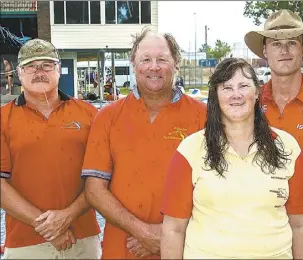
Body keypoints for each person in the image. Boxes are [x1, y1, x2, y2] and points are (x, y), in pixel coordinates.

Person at [161, 57, 303, 259]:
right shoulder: (190, 150)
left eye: (243, 86)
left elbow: (301, 225)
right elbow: (173, 229)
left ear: (257, 92)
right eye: (227, 88)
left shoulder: (287, 147)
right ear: (216, 94)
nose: (236, 95)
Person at [82, 29, 207, 259]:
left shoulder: (203, 116)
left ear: (176, 63)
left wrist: (166, 234)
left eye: (162, 59)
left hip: (185, 248)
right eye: (146, 60)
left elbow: (217, 189)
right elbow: (94, 190)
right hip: (121, 249)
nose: (154, 67)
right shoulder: (108, 117)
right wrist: (144, 232)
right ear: (133, 63)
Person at [244, 9, 303, 259]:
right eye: (276, 44)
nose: (284, 50)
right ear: (265, 51)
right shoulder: (249, 104)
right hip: (256, 238)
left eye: (292, 43)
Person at [0, 38, 101, 259]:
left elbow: (101, 177)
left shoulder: (89, 114)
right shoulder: (2, 118)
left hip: (83, 237)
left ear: (58, 70)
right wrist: (46, 227)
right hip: (24, 243)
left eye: (46, 65)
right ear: (19, 72)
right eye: (31, 66)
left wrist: (67, 216)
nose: (39, 72)